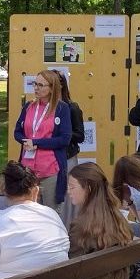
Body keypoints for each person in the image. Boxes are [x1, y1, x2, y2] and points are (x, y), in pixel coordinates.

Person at [65, 163, 132, 279]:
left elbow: (70, 269)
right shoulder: (117, 218)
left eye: (72, 187)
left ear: (87, 188)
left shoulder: (83, 226)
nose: (68, 191)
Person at [13, 70, 72, 215]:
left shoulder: (61, 108)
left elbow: (65, 139)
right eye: (35, 83)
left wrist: (37, 143)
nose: (36, 88)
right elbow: (17, 132)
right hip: (28, 170)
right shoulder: (29, 106)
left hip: (50, 169)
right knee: (29, 213)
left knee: (50, 214)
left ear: (52, 88)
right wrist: (25, 141)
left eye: (41, 85)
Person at [53, 71, 85, 225]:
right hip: (47, 159)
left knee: (68, 196)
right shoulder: (40, 108)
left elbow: (80, 135)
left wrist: (63, 133)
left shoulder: (72, 107)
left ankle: (68, 230)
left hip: (67, 157)